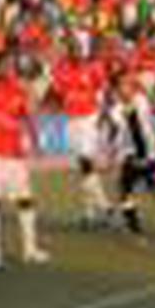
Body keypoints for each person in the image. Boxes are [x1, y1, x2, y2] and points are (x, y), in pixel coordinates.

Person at [0, 48, 50, 269]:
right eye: (4, 64)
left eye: (11, 65)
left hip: (15, 154)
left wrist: (36, 144)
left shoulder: (19, 88)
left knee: (25, 200)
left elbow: (30, 116)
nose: (8, 68)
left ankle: (30, 249)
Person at [49, 35, 113, 227]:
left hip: (89, 117)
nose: (76, 51)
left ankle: (104, 206)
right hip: (71, 119)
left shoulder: (93, 67)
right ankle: (90, 213)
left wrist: (103, 114)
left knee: (86, 159)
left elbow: (103, 91)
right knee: (83, 166)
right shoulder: (61, 68)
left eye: (78, 48)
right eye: (72, 48)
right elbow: (57, 93)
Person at [106, 73, 155, 240]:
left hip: (150, 152)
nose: (127, 89)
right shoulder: (116, 110)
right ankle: (132, 221)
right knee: (125, 187)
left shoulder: (141, 100)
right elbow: (116, 132)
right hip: (132, 154)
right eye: (123, 86)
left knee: (137, 186)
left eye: (129, 85)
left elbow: (148, 115)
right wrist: (111, 153)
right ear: (117, 90)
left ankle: (152, 182)